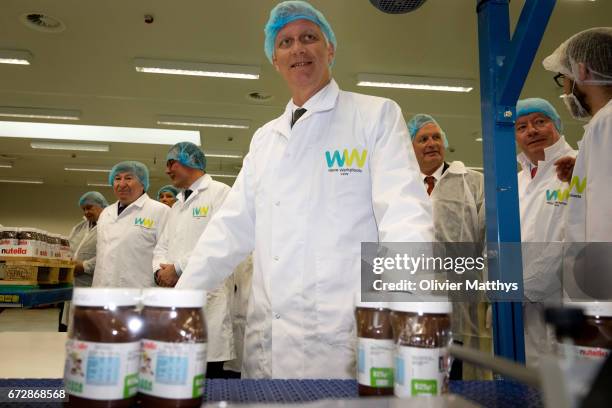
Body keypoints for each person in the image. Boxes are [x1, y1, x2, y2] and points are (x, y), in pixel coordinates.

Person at [176, 0, 433, 379]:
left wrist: (414, 309)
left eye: (309, 37)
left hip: (343, 333)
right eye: (285, 42)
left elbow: (404, 215)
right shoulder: (265, 140)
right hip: (269, 339)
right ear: (275, 60)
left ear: (329, 49)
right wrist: (179, 301)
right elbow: (229, 230)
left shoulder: (374, 115)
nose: (298, 48)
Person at [408, 113, 490, 380]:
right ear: (410, 147)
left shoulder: (473, 182)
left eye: (436, 137)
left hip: (461, 295)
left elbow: (488, 239)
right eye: (422, 139)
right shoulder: (401, 186)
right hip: (411, 293)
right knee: (417, 364)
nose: (431, 143)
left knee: (458, 368)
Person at [152, 142, 236, 378]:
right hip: (175, 297)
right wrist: (159, 271)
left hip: (208, 299)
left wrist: (177, 269)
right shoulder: (177, 205)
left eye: (172, 163)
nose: (167, 170)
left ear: (190, 162)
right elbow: (163, 245)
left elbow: (220, 240)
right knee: (178, 374)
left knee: (208, 377)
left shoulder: (221, 193)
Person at [543, 27, 612, 301]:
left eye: (565, 78)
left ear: (582, 71)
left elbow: (604, 220)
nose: (567, 88)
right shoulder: (602, 125)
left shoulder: (606, 123)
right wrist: (581, 177)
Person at [514, 97, 577, 364]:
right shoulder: (513, 181)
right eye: (522, 126)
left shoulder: (578, 167)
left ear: (557, 125)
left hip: (563, 302)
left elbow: (572, 237)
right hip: (517, 306)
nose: (531, 130)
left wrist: (528, 287)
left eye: (540, 121)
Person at [93, 161, 169, 288]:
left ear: (143, 183)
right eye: (117, 178)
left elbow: (166, 253)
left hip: (140, 294)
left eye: (128, 178)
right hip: (103, 291)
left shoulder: (160, 211)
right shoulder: (106, 213)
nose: (122, 184)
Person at [59, 191, 108, 330]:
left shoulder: (110, 226)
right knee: (72, 325)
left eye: (89, 207)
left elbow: (109, 253)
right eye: (84, 209)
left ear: (102, 206)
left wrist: (85, 266)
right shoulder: (80, 227)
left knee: (91, 325)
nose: (86, 212)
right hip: (74, 283)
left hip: (93, 283)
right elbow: (69, 246)